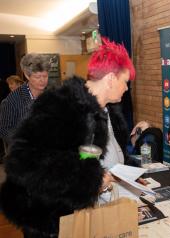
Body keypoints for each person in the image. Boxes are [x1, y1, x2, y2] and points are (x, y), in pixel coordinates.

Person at [0, 38, 135, 238]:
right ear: (110, 79)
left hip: (72, 213)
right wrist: (92, 182)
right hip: (44, 218)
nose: (126, 88)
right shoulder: (63, 106)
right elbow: (25, 164)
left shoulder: (101, 110)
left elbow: (81, 155)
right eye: (125, 82)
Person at [0, 54, 50, 151]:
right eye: (37, 76)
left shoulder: (53, 94)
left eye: (45, 76)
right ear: (27, 76)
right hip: (25, 155)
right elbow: (4, 129)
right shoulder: (12, 100)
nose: (42, 80)